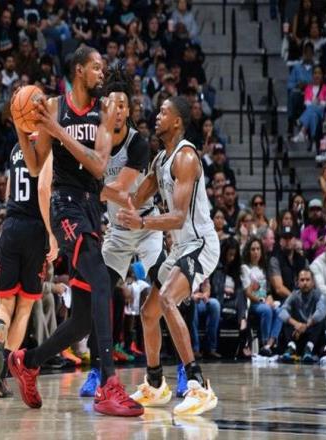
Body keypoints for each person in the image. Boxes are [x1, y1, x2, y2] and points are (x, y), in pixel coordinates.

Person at [9, 46, 143, 417]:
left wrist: (56, 132)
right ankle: (108, 385)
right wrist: (21, 127)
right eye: (96, 67)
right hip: (64, 206)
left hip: (90, 209)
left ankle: (27, 361)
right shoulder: (54, 108)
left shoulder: (104, 111)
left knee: (82, 318)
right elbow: (35, 167)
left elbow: (99, 166)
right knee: (101, 279)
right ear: (79, 70)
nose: (102, 73)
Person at [115, 96, 220, 415]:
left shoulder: (185, 157)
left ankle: (198, 386)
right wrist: (97, 187)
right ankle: (155, 383)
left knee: (168, 300)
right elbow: (133, 199)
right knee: (149, 311)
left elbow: (177, 218)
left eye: (163, 112)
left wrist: (142, 223)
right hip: (180, 247)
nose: (156, 116)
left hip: (201, 244)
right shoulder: (161, 159)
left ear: (177, 121)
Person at [75, 67, 162, 397]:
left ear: (129, 110)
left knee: (167, 288)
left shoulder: (137, 143)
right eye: (112, 103)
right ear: (104, 108)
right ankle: (96, 372)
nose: (118, 109)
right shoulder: (95, 141)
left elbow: (122, 191)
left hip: (146, 225)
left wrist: (87, 188)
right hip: (119, 232)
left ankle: (184, 368)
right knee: (100, 295)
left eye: (123, 104)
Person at [0, 142, 57, 398]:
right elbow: (44, 189)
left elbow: (9, 191)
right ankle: (2, 372)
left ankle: (0, 326)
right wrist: (51, 234)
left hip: (11, 224)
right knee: (25, 306)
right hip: (35, 229)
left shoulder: (16, 147)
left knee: (5, 304)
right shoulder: (47, 146)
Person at [279, 269, 326, 363]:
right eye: (302, 280)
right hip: (297, 335)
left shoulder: (319, 295)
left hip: (313, 336)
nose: (305, 283)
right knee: (287, 318)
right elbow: (282, 311)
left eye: (307, 280)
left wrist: (305, 326)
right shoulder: (294, 295)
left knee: (320, 320)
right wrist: (296, 324)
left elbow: (321, 312)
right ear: (298, 283)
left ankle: (309, 349)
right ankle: (291, 347)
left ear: (313, 282)